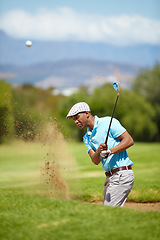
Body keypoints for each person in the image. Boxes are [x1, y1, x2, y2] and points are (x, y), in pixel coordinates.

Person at [66, 102, 134, 207]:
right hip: (110, 178)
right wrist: (98, 151)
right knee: (106, 210)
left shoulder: (108, 122)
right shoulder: (86, 138)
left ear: (87, 113)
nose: (75, 121)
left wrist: (110, 151)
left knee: (108, 211)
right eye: (73, 119)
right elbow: (95, 160)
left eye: (77, 117)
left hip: (121, 175)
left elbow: (129, 140)